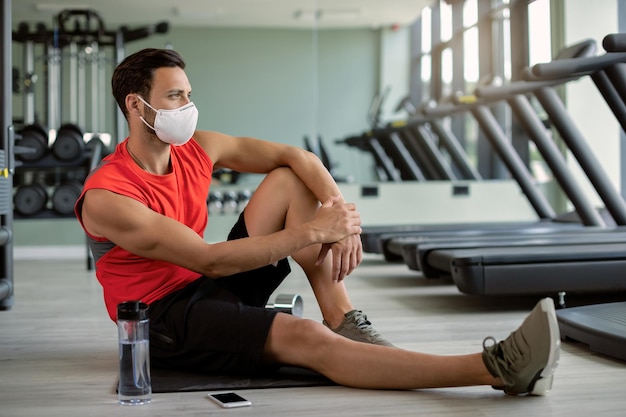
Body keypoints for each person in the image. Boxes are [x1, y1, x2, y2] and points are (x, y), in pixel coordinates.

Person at [75, 48, 560, 396]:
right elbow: (210, 260)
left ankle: (344, 320)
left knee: (288, 179)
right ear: (137, 106)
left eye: (187, 94)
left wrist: (340, 215)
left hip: (203, 287)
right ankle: (495, 368)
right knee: (305, 340)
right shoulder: (107, 196)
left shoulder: (198, 147)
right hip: (161, 322)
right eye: (176, 96)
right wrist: (313, 232)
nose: (188, 107)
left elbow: (297, 156)